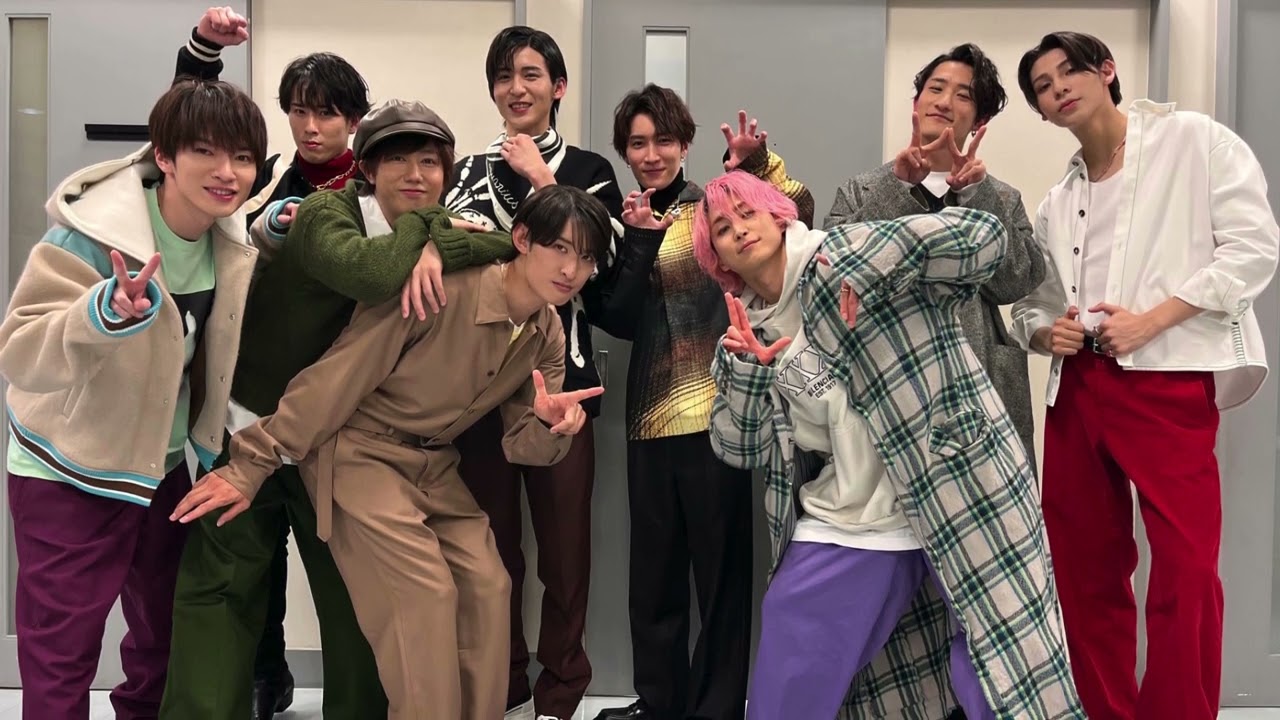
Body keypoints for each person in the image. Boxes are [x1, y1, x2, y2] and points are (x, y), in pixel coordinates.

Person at [171, 184, 613, 720]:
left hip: (433, 465)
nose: (571, 269)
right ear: (521, 239)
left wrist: (550, 425)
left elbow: (522, 444)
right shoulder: (443, 287)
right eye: (559, 248)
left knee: (489, 587)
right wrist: (251, 463)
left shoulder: (547, 332)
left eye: (585, 258)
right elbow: (339, 375)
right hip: (360, 454)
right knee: (425, 596)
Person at [159, 100, 513, 720]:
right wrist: (432, 234)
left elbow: (511, 245)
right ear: (366, 169)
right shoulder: (328, 212)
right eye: (396, 159)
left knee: (359, 602)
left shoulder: (432, 228)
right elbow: (371, 273)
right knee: (221, 591)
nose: (414, 175)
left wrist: (439, 240)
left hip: (336, 443)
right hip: (252, 427)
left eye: (430, 162)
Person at [694, 170, 1085, 719]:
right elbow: (738, 446)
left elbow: (986, 240)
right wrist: (748, 371)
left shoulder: (845, 252)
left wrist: (878, 260)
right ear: (717, 258)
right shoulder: (745, 336)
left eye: (747, 213)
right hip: (858, 512)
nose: (738, 229)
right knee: (791, 649)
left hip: (957, 486)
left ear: (779, 217)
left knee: (1000, 667)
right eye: (721, 228)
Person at [1012, 31, 1278, 720]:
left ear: (1107, 71)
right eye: (1042, 86)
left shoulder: (1194, 141)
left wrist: (1153, 320)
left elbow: (1253, 250)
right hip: (1077, 390)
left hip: (1166, 380)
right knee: (1082, 571)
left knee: (1186, 568)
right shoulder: (1057, 200)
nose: (1058, 89)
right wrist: (1045, 332)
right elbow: (1034, 305)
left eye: (1069, 72)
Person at [0, 77, 267, 720]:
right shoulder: (91, 235)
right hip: (69, 466)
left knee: (164, 634)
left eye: (242, 157)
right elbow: (19, 351)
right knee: (62, 653)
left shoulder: (230, 239)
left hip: (161, 465)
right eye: (205, 151)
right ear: (165, 157)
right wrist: (101, 313)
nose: (226, 172)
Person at [172, 9, 376, 715]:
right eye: (298, 111)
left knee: (350, 591)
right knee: (224, 583)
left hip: (338, 430)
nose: (311, 127)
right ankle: (252, 685)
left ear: (354, 119)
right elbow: (185, 141)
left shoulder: (379, 194)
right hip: (244, 417)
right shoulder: (256, 181)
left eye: (327, 113)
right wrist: (202, 54)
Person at [590, 88, 812, 720]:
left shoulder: (716, 207)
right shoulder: (618, 221)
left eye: (663, 140)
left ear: (685, 145)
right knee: (652, 577)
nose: (651, 154)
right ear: (625, 152)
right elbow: (616, 318)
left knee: (721, 577)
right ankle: (658, 703)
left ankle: (716, 707)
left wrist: (757, 163)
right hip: (648, 415)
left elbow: (794, 212)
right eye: (638, 143)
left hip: (722, 412)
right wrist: (637, 241)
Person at [443, 24, 624, 720]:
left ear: (558, 86)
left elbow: (602, 267)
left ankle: (560, 693)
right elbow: (457, 256)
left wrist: (545, 185)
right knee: (491, 553)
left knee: (565, 556)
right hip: (477, 392)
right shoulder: (466, 169)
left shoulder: (588, 169)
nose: (516, 88)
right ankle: (504, 683)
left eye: (530, 74)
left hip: (562, 386)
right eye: (503, 76)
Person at [825, 42, 1044, 465]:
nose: (944, 102)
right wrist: (898, 189)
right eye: (935, 88)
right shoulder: (861, 190)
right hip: (885, 380)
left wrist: (976, 195)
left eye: (963, 95)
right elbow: (834, 271)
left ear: (980, 120)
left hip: (978, 385)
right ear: (917, 101)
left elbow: (1016, 282)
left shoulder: (1001, 197)